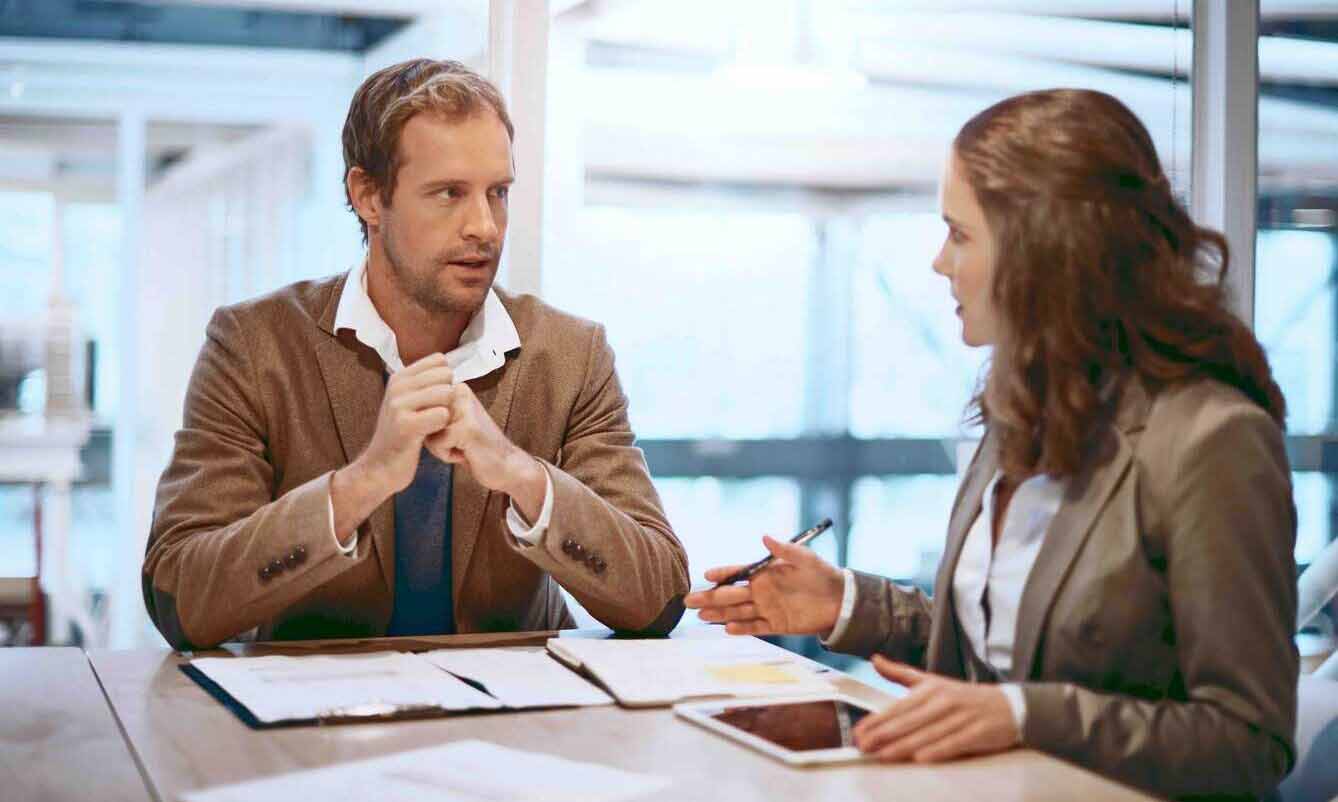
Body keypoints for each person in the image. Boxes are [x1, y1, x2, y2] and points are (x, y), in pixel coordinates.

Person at [685, 89, 1297, 800]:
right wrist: (844, 602)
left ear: (1046, 250)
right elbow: (999, 650)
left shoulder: (1212, 441)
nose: (939, 263)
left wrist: (1023, 717)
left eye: (960, 234)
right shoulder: (1023, 408)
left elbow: (1248, 741)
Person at [143, 58, 689, 650]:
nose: (484, 226)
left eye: (497, 193)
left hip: (517, 726)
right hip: (316, 727)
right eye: (449, 194)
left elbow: (658, 597)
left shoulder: (570, 355)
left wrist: (521, 475)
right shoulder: (255, 346)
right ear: (369, 197)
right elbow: (180, 598)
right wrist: (362, 483)